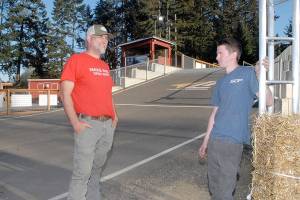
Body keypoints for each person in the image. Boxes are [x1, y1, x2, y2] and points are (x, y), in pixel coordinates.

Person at [198, 38, 272, 200]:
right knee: (214, 187)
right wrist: (205, 142)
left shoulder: (248, 73)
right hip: (215, 141)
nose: (216, 57)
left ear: (233, 55)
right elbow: (214, 114)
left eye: (220, 53)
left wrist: (260, 76)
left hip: (232, 142)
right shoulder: (220, 82)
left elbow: (268, 102)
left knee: (224, 191)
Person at [60, 24, 118, 200]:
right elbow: (65, 94)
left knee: (97, 169)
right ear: (89, 39)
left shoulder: (105, 66)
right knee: (82, 173)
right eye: (101, 37)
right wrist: (75, 123)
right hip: (88, 125)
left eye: (106, 38)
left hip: (108, 126)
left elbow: (106, 94)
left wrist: (115, 116)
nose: (104, 41)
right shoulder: (76, 60)